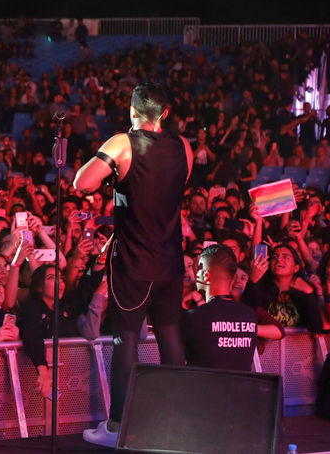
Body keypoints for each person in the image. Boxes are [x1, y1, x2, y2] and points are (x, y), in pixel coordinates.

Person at [73, 81, 193, 447]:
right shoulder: (184, 146)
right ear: (166, 114)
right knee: (170, 336)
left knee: (125, 339)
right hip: (171, 260)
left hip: (135, 262)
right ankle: (178, 422)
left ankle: (116, 428)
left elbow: (81, 183)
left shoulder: (123, 142)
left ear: (132, 111)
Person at [182, 244, 283, 371]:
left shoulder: (194, 316)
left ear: (205, 275)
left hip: (203, 389)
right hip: (241, 389)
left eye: (198, 270)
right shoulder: (249, 314)